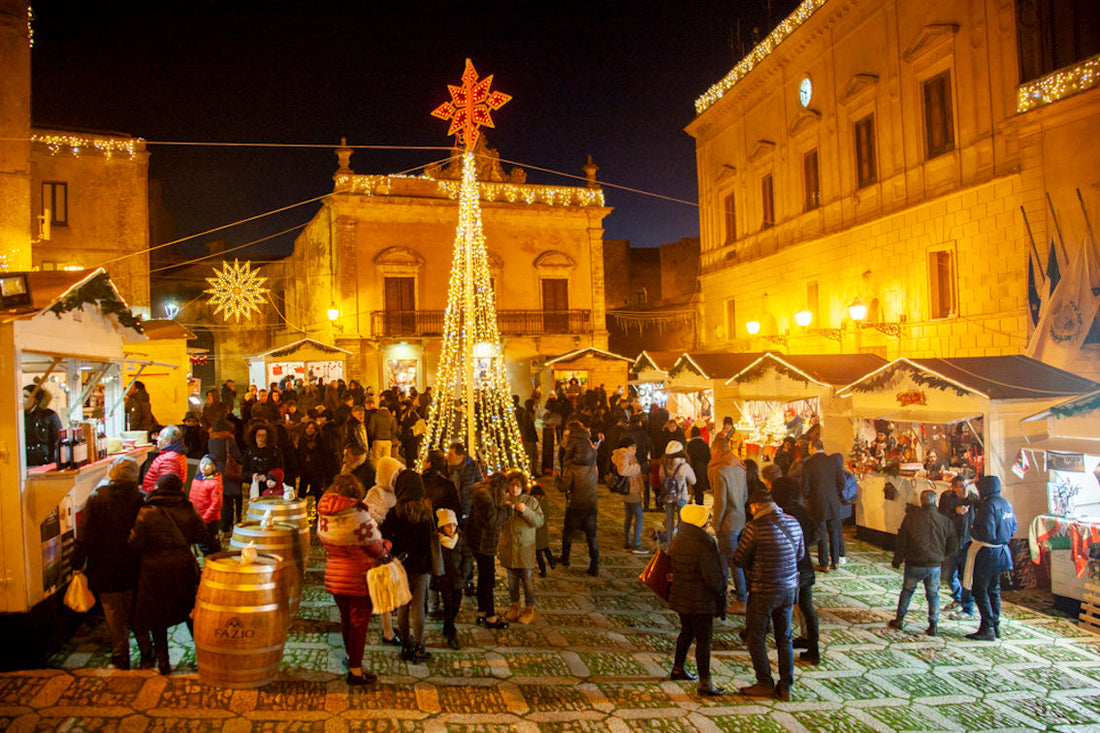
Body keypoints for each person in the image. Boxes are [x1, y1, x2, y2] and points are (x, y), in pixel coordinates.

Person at [72, 456, 153, 670]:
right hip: (134, 565)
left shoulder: (97, 497)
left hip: (104, 565)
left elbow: (84, 534)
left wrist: (77, 563)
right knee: (137, 610)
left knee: (113, 613)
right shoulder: (142, 498)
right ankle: (146, 651)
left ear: (113, 473)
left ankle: (120, 656)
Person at [129, 473, 207, 675]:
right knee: (189, 611)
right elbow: (202, 536)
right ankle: (204, 656)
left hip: (153, 570)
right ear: (179, 489)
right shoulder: (188, 509)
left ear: (158, 488)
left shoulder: (147, 512)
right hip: (182, 567)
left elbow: (135, 544)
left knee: (157, 617)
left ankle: (163, 661)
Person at [734, 486, 804, 701]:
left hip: (763, 589)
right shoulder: (794, 522)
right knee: (785, 638)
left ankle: (764, 682)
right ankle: (786, 686)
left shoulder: (754, 527)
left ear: (756, 506)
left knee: (756, 636)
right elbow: (800, 554)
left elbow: (739, 559)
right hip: (788, 589)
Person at [317, 473, 388, 685]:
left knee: (346, 620)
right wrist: (387, 544)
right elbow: (376, 548)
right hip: (359, 579)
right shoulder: (357, 514)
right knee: (359, 624)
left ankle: (351, 659)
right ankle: (355, 671)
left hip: (334, 576)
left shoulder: (324, 513)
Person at [667, 503, 728, 697]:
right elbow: (711, 576)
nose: (708, 522)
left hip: (682, 595)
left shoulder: (679, 537)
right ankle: (705, 682)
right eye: (707, 519)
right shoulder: (704, 542)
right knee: (704, 639)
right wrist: (722, 588)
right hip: (701, 599)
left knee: (686, 632)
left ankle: (678, 668)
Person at [766, 464, 821, 663]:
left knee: (781, 606)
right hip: (803, 565)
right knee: (806, 606)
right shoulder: (801, 511)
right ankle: (813, 647)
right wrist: (803, 545)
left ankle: (783, 643)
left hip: (786, 567)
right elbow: (816, 533)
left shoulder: (781, 514)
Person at [381, 470, 436, 663]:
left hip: (401, 564)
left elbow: (384, 536)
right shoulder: (426, 510)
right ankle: (420, 647)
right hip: (421, 566)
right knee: (419, 606)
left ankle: (406, 645)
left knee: (403, 606)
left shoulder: (396, 511)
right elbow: (428, 540)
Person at [888, 489, 957, 636]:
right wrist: (942, 555)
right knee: (933, 594)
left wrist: (898, 559)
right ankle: (933, 624)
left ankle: (899, 619)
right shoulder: (945, 521)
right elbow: (953, 544)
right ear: (936, 502)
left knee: (907, 591)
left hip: (914, 562)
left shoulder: (911, 518)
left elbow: (902, 541)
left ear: (921, 502)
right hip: (934, 564)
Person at [963, 475, 1017, 641]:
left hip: (987, 552)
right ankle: (995, 625)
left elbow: (986, 533)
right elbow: (1013, 528)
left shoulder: (988, 506)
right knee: (994, 589)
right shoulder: (1006, 504)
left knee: (980, 589)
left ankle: (987, 627)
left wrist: (972, 531)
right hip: (1002, 551)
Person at [365, 455, 405, 646]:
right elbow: (367, 517)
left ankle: (388, 626)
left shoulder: (397, 492)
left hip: (392, 544)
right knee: (384, 586)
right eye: (395, 473)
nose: (397, 477)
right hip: (381, 546)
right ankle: (387, 632)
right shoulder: (377, 493)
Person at [465, 473, 511, 628]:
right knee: (488, 580)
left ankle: (482, 612)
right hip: (483, 544)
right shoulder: (485, 497)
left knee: (484, 578)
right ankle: (490, 617)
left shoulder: (482, 493)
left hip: (479, 542)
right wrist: (507, 509)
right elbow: (492, 520)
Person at [709, 433, 748, 614]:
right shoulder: (740, 468)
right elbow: (745, 495)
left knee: (732, 561)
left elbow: (721, 502)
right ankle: (721, 592)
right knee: (724, 558)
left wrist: (715, 523)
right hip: (739, 518)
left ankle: (741, 599)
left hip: (727, 522)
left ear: (716, 450)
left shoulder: (720, 471)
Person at [498, 471, 544, 625]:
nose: (514, 489)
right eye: (511, 485)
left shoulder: (530, 501)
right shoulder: (503, 500)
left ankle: (529, 608)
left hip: (524, 547)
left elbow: (539, 521)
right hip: (509, 546)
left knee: (527, 579)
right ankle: (514, 607)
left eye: (517, 486)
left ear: (523, 487)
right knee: (512, 580)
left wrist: (525, 511)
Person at [558, 422, 601, 576]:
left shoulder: (573, 468)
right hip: (591, 504)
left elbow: (563, 487)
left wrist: (557, 479)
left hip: (575, 504)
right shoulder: (593, 466)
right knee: (592, 536)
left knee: (568, 533)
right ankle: (595, 565)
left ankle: (565, 557)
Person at [800, 439, 845, 571]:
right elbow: (842, 483)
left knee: (821, 532)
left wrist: (809, 497)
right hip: (833, 502)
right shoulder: (833, 461)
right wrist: (833, 493)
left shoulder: (809, 463)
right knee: (834, 531)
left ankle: (824, 563)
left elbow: (805, 486)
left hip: (817, 502)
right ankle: (835, 561)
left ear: (813, 447)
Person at [433, 508, 473, 649]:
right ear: (442, 527)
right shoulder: (438, 542)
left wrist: (464, 573)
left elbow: (467, 557)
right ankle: (451, 631)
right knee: (448, 604)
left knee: (456, 603)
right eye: (448, 526)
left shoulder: (460, 540)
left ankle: (448, 625)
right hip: (444, 579)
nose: (451, 529)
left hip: (458, 578)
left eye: (453, 525)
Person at [939, 476, 977, 621]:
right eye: (961, 487)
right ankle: (958, 597)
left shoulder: (974, 499)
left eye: (966, 486)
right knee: (948, 574)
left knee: (967, 577)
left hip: (969, 542)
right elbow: (941, 515)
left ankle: (968, 607)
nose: (964, 490)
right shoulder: (947, 498)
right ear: (953, 488)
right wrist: (955, 511)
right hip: (952, 542)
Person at [612, 436, 647, 554]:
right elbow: (623, 470)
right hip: (631, 489)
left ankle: (627, 542)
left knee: (629, 516)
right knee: (639, 515)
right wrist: (637, 468)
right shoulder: (624, 454)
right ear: (628, 446)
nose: (635, 449)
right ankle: (636, 544)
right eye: (633, 447)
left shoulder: (626, 454)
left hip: (630, 488)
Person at [658, 441, 696, 549]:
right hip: (681, 497)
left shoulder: (663, 465)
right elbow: (693, 481)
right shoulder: (684, 466)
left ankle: (669, 545)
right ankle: (679, 546)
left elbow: (661, 479)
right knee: (681, 523)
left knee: (669, 521)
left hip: (668, 496)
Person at [189, 455, 224, 554]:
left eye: (207, 464)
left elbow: (216, 503)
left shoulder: (215, 483)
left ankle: (213, 558)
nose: (204, 466)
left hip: (209, 520)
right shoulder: (196, 479)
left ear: (213, 467)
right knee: (200, 541)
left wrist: (205, 518)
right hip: (197, 516)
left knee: (210, 543)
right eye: (202, 463)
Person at [23, 383, 62, 467]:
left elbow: (58, 440)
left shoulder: (49, 415)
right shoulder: (19, 417)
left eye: (26, 396)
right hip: (25, 463)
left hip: (46, 462)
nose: (22, 400)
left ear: (36, 400)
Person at [242, 423, 284, 498]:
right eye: (258, 435)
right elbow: (244, 471)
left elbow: (280, 470)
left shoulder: (275, 451)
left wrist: (268, 477)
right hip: (255, 487)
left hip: (270, 488)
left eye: (263, 435)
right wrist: (253, 476)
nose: (261, 438)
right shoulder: (249, 451)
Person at [142, 425, 188, 493]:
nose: (157, 438)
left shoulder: (170, 459)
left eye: (161, 436)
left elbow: (166, 486)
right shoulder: (173, 455)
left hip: (158, 496)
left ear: (168, 441)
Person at [623, 414, 655, 510]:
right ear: (639, 422)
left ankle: (631, 503)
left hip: (630, 460)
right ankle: (646, 503)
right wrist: (648, 454)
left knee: (631, 481)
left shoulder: (625, 432)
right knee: (644, 481)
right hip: (641, 459)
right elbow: (650, 444)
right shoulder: (642, 433)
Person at [446, 442, 483, 523]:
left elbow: (480, 486)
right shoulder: (446, 468)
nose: (448, 457)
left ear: (460, 457)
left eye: (451, 455)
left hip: (468, 509)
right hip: (451, 510)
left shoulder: (473, 467)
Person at [529, 484, 556, 576]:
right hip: (544, 530)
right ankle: (552, 562)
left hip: (538, 530)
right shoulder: (545, 503)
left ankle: (543, 570)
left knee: (538, 552)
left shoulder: (536, 504)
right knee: (545, 548)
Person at [367, 403, 398, 467]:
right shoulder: (391, 417)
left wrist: (373, 438)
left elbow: (371, 429)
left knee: (377, 459)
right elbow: (394, 430)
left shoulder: (374, 416)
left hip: (377, 440)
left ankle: (377, 471)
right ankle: (386, 471)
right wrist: (390, 437)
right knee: (387, 459)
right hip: (388, 441)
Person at [686, 427, 711, 505]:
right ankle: (700, 504)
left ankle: (693, 501)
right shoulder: (704, 444)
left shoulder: (690, 445)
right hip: (702, 468)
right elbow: (708, 457)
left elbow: (687, 457)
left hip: (692, 468)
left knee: (694, 486)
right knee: (700, 488)